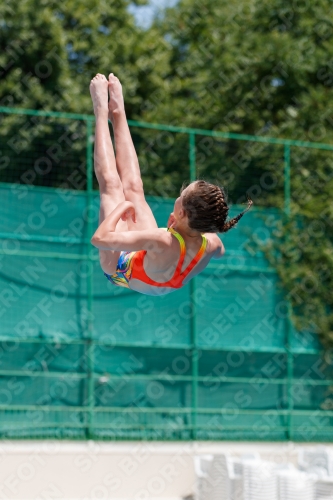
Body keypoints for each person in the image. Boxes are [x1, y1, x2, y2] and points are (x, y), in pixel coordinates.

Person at [90, 73, 252, 296]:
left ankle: (100, 111)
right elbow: (220, 252)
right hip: (160, 278)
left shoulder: (162, 238)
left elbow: (100, 240)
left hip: (121, 271)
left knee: (112, 187)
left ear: (182, 211)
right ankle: (118, 112)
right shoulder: (211, 243)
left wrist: (122, 208)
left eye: (181, 194)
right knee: (135, 187)